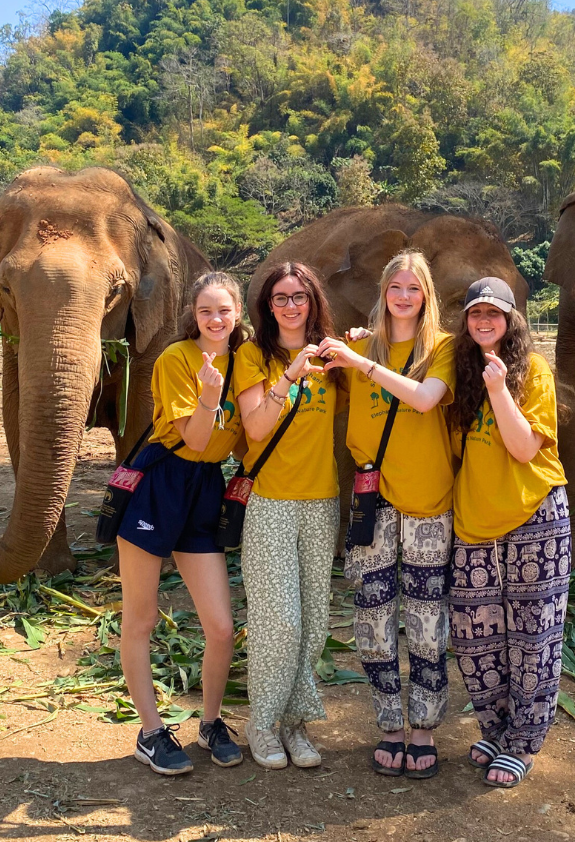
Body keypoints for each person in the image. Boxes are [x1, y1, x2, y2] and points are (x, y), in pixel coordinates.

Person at [319, 251, 455, 780]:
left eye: (414, 289)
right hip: (371, 497)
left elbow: (424, 401)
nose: (403, 297)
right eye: (396, 287)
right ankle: (390, 724)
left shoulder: (442, 348)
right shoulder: (357, 345)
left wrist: (363, 364)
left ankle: (423, 728)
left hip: (427, 500)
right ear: (383, 291)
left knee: (425, 618)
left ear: (427, 297)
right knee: (372, 615)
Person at [117, 271, 246, 775]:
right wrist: (211, 398)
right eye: (205, 311)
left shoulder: (245, 362)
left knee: (221, 626)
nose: (216, 319)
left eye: (224, 310)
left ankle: (211, 723)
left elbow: (239, 438)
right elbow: (194, 438)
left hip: (206, 487)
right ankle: (150, 732)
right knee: (141, 619)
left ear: (238, 314)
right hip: (161, 483)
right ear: (193, 317)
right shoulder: (177, 360)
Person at [446, 277, 571, 789]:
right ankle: (496, 729)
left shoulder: (532, 372)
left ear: (512, 319)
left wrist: (500, 389)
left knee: (531, 635)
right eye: (476, 313)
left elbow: (523, 449)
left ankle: (523, 741)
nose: (484, 321)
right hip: (474, 523)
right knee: (477, 637)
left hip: (534, 517)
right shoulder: (460, 372)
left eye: (494, 314)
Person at [234, 262, 345, 770]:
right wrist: (289, 376)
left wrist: (356, 346)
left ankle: (295, 724)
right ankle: (261, 724)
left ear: (313, 300)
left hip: (323, 503)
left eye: (299, 296)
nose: (291, 305)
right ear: (267, 305)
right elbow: (256, 428)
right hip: (272, 504)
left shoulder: (331, 354)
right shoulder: (253, 355)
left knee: (313, 623)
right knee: (279, 620)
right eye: (281, 298)